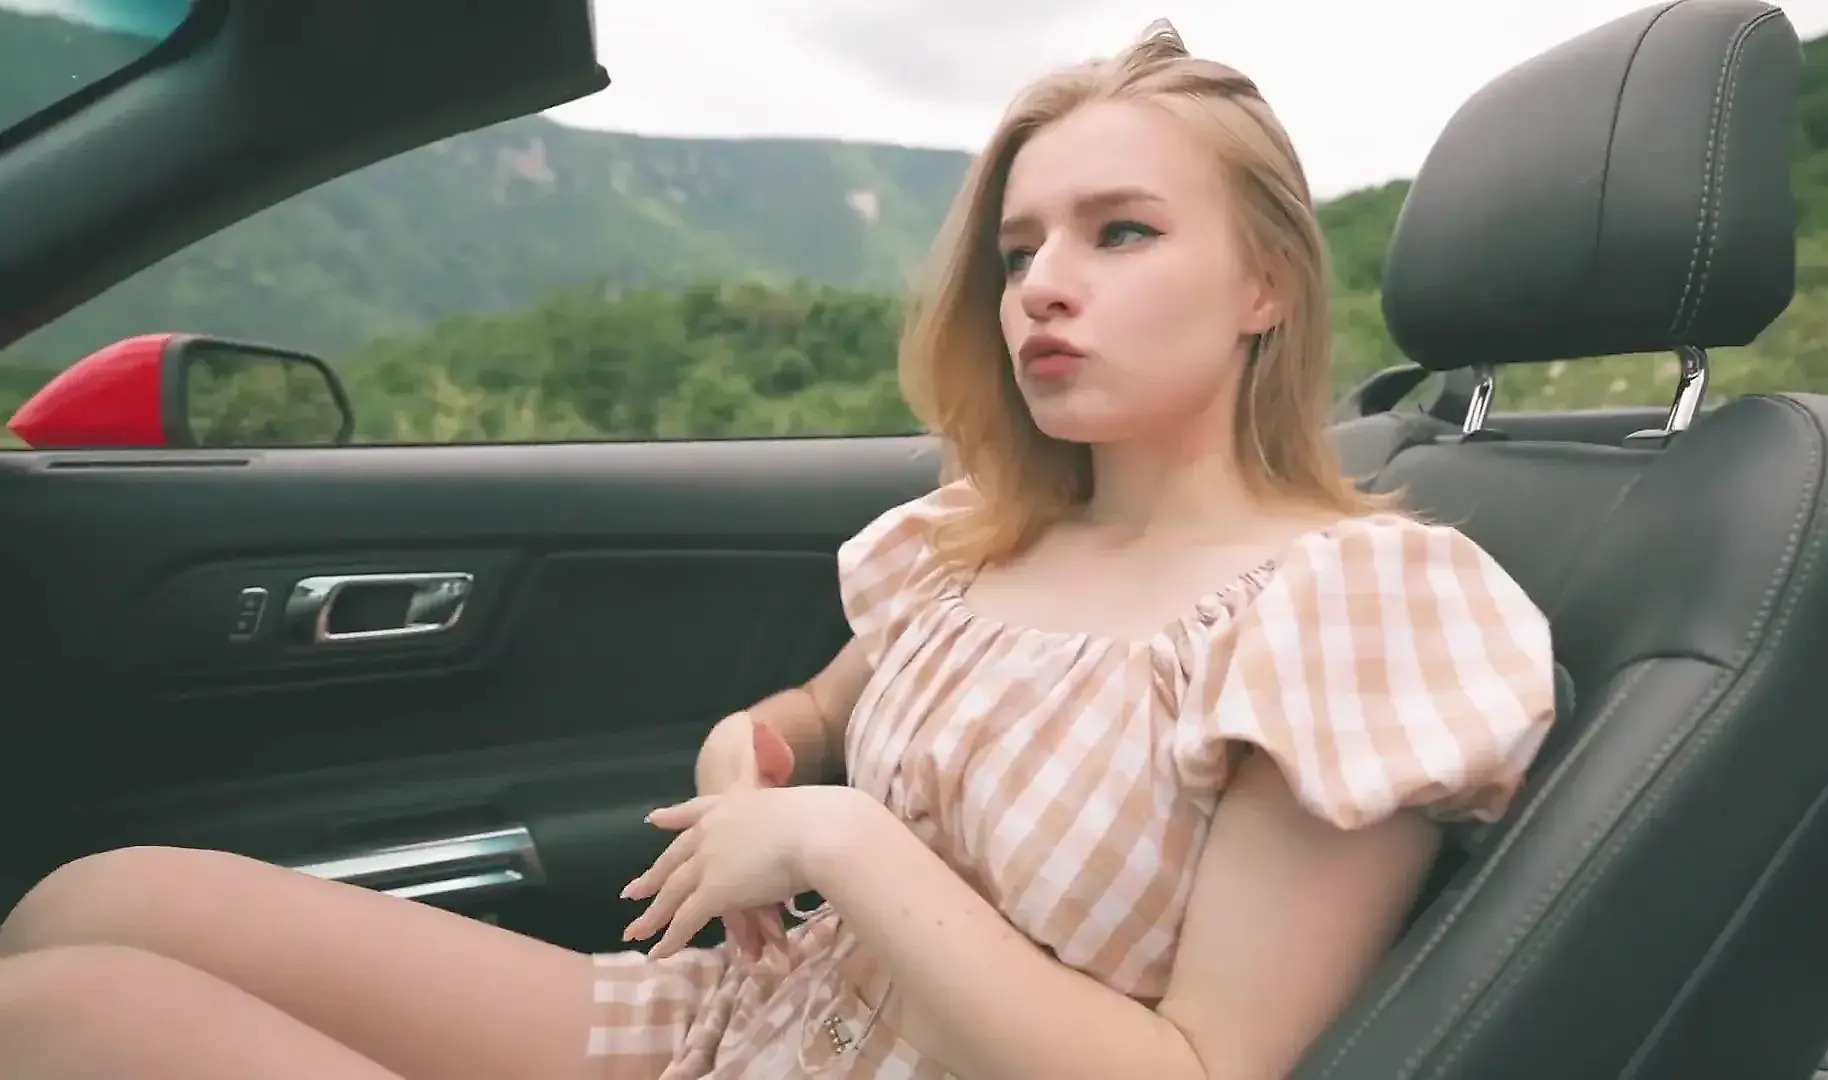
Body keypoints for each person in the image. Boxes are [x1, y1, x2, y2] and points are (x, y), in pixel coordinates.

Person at [0, 20, 1556, 1080]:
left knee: (67, 1019)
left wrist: (834, 845)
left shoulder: (1355, 611)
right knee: (104, 902)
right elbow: (811, 715)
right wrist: (754, 753)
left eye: (1122, 232)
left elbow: (1199, 1069)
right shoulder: (982, 540)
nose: (1041, 286)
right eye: (1020, 248)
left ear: (1267, 285)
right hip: (739, 1028)